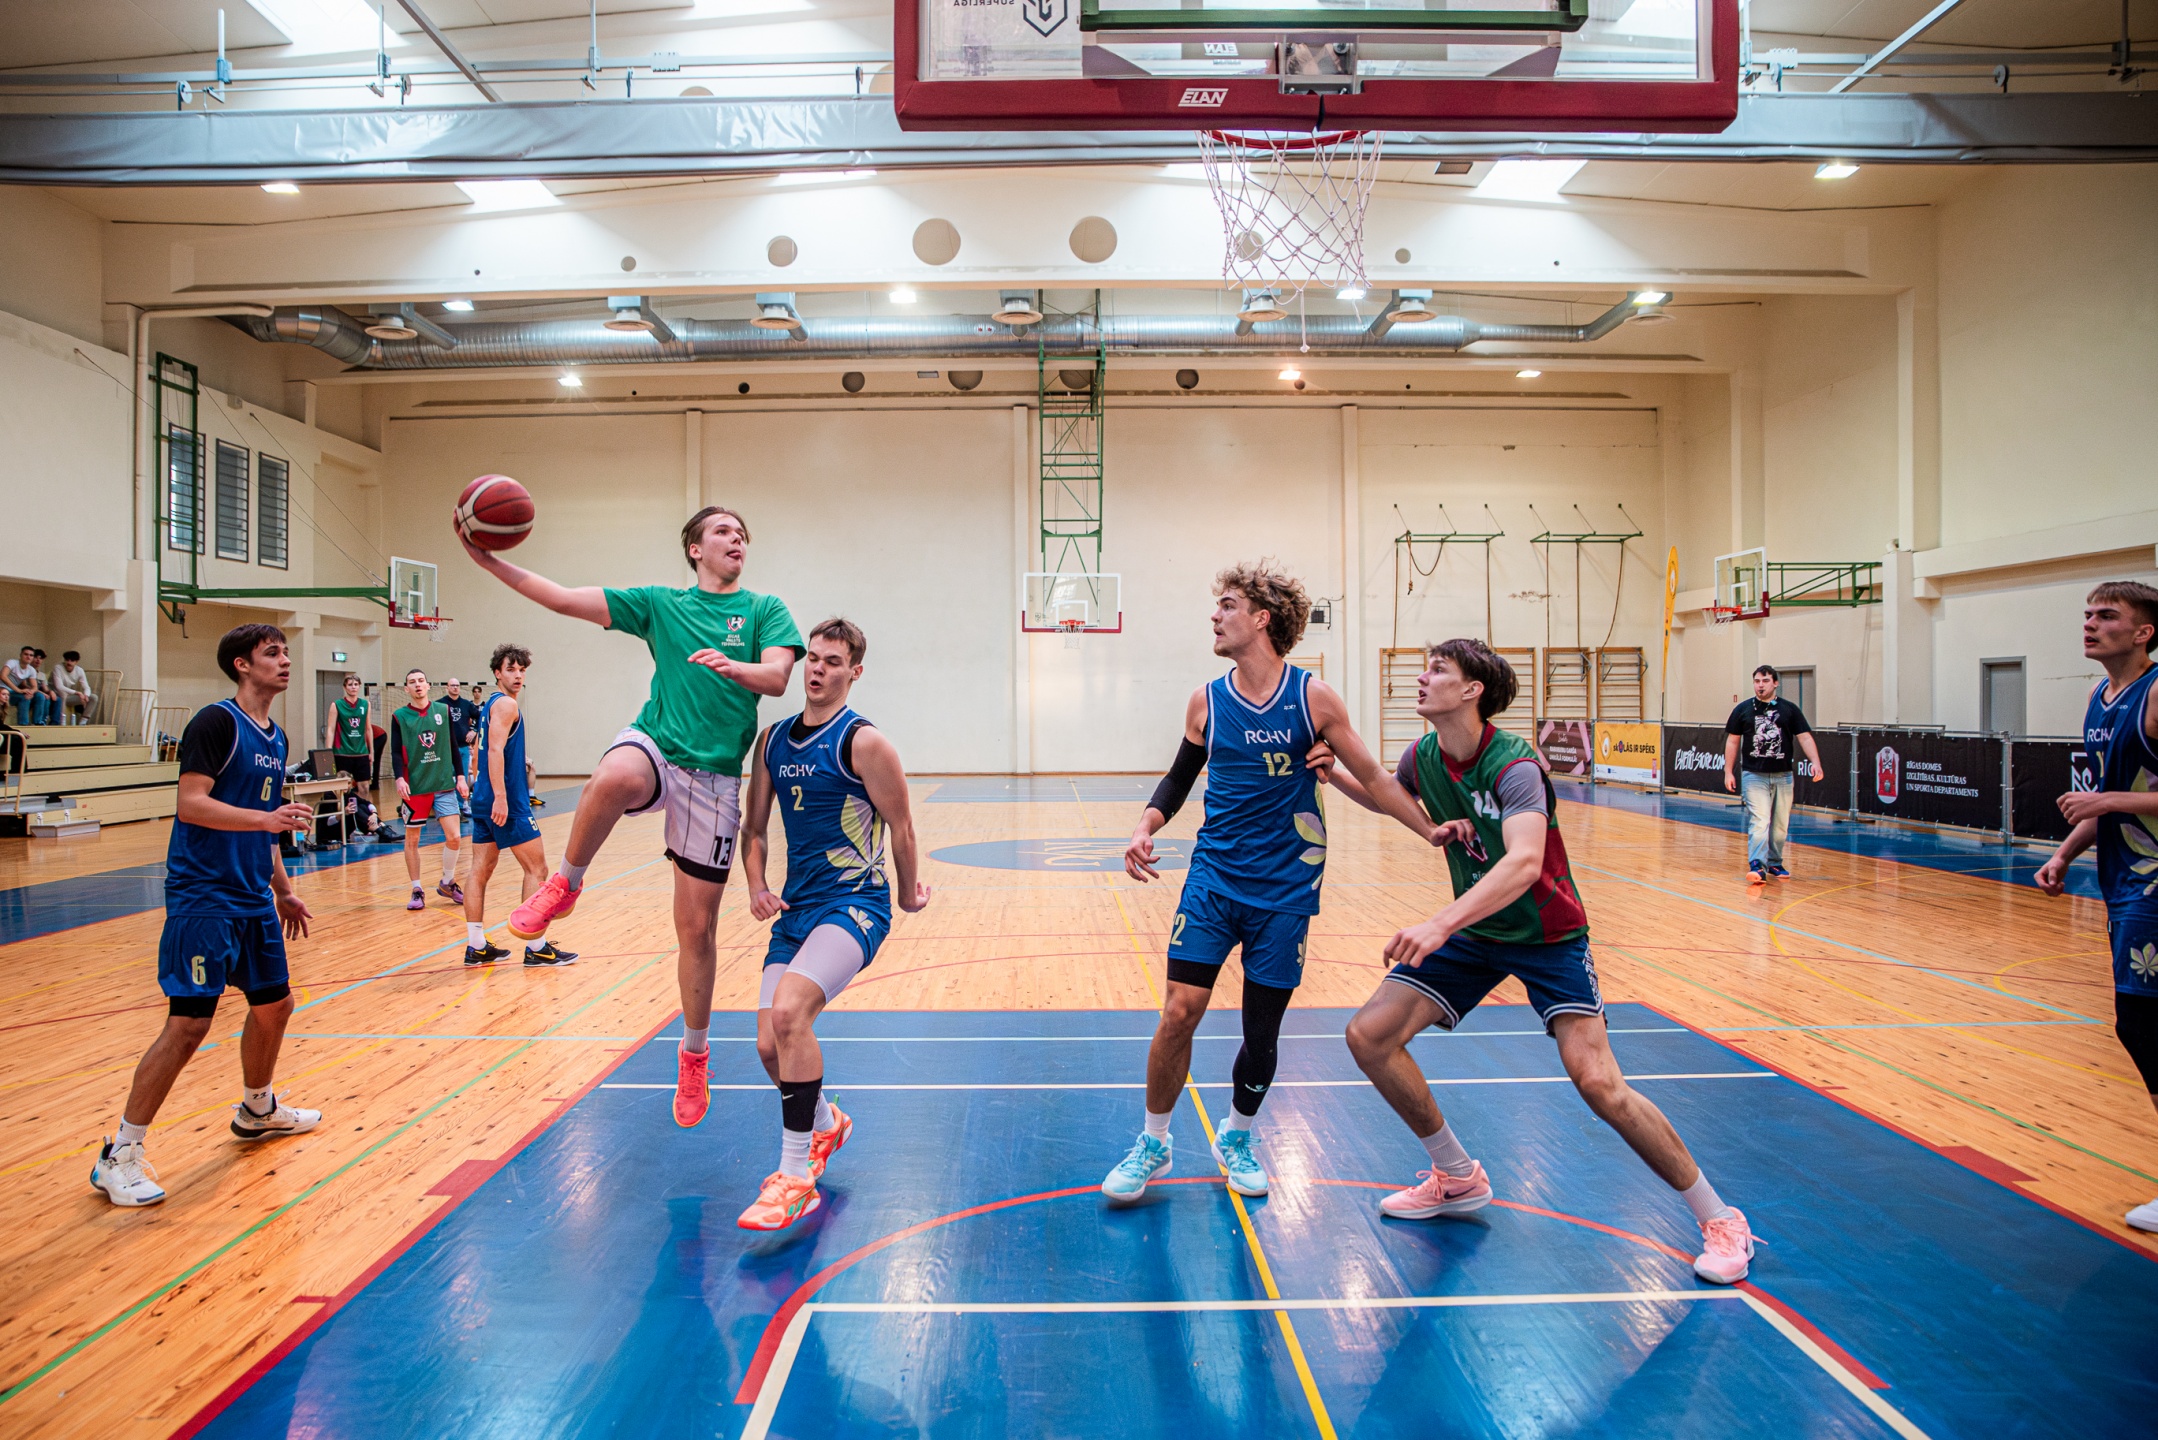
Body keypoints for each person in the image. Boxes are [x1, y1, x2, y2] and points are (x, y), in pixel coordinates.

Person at [1332, 639, 1757, 1282]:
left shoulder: (1515, 766)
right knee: (1370, 1036)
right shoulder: (1423, 755)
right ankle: (1456, 1175)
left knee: (1599, 1084)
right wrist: (1334, 776)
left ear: (1472, 690)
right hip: (1478, 930)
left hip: (1548, 935)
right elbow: (1390, 794)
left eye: (1438, 670)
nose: (1421, 678)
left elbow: (1525, 862)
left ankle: (1721, 1217)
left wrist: (1440, 922)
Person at [1106, 562, 1432, 1202]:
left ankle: (1236, 1136)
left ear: (1261, 618)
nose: (1215, 615)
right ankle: (1154, 1141)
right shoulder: (1206, 700)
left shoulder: (1315, 699)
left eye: (1227, 605)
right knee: (1179, 1011)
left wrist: (1430, 831)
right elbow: (1178, 779)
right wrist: (1145, 825)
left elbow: (1376, 778)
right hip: (1214, 879)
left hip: (1286, 890)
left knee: (1261, 1034)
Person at [461, 505, 802, 1108]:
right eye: (723, 531)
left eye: (742, 533)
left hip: (714, 779)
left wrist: (733, 666)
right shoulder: (659, 604)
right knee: (615, 773)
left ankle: (694, 1055)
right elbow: (563, 598)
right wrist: (490, 562)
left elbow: (777, 678)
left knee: (696, 931)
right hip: (658, 746)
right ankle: (565, 884)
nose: (737, 539)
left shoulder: (763, 609)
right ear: (694, 548)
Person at [89, 624, 322, 1207]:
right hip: (204, 897)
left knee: (275, 1006)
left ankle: (257, 1109)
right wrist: (267, 820)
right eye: (273, 653)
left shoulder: (276, 737)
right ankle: (120, 1154)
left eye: (286, 652)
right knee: (189, 1024)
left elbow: (267, 823)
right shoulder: (216, 722)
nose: (285, 661)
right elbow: (191, 803)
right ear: (242, 664)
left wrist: (283, 890)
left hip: (253, 897)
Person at [733, 618, 930, 1231]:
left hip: (854, 904)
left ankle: (795, 1177)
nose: (817, 669)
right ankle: (826, 1122)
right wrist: (757, 886)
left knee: (791, 1012)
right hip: (796, 911)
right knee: (768, 1046)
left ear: (854, 672)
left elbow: (902, 827)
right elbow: (754, 829)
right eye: (813, 658)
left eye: (833, 661)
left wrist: (907, 895)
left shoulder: (864, 743)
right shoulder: (772, 741)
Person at [2036, 580, 2158, 1235]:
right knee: (2140, 1027)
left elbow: (2110, 798)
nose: (2090, 624)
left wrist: (2106, 804)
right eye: (2086, 613)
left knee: (2144, 1025)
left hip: (2154, 887)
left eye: (2107, 615)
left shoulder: (2157, 692)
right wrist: (2065, 854)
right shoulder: (2098, 698)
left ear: (2143, 632)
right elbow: (2110, 795)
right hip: (2124, 881)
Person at [462, 645, 573, 967]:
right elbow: (494, 750)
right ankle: (536, 947)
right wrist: (501, 796)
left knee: (480, 869)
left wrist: (484, 785)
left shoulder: (490, 704)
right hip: (506, 802)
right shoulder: (507, 704)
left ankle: (476, 946)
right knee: (537, 869)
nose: (518, 675)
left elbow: (481, 749)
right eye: (511, 669)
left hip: (483, 798)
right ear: (497, 672)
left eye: (522, 670)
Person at [1723, 664, 1825, 883]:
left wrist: (1815, 762)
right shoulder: (1743, 710)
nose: (1760, 685)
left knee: (1779, 823)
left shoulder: (1789, 710)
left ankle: (1774, 862)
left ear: (1775, 683)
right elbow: (1732, 741)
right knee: (1760, 820)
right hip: (1754, 775)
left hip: (1783, 775)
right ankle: (1757, 865)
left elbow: (1805, 737)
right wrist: (1728, 771)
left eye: (1765, 681)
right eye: (1757, 681)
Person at [388, 669, 467, 911]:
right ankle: (416, 889)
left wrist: (461, 776)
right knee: (412, 840)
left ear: (428, 685)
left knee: (455, 837)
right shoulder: (399, 716)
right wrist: (399, 779)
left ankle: (447, 881)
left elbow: (453, 745)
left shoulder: (442, 711)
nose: (418, 685)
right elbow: (395, 751)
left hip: (443, 785)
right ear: (406, 689)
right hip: (415, 788)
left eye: (421, 681)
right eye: (412, 682)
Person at [325, 673, 373, 794]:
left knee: (365, 787)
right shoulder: (336, 705)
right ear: (345, 687)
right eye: (350, 684)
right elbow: (331, 729)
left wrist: (371, 751)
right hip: (342, 752)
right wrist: (328, 751)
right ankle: (342, 807)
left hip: (361, 752)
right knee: (342, 788)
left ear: (359, 686)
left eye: (356, 684)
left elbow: (368, 729)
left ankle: (363, 806)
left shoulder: (365, 704)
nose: (353, 687)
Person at [6, 645, 51, 726]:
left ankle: (38, 722)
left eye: (31, 655)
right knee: (24, 697)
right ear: (21, 655)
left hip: (16, 693)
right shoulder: (12, 662)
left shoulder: (31, 670)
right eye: (26, 654)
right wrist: (18, 690)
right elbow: (2, 676)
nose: (28, 657)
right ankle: (23, 724)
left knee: (40, 696)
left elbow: (35, 687)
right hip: (4, 691)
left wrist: (31, 692)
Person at [55, 651, 95, 725]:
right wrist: (76, 692)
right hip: (57, 694)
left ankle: (83, 721)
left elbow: (86, 687)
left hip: (68, 696)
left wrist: (86, 696)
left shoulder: (79, 670)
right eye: (67, 660)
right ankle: (62, 722)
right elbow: (59, 686)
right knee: (63, 695)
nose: (69, 662)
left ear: (76, 662)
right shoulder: (58, 668)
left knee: (93, 697)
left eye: (72, 660)